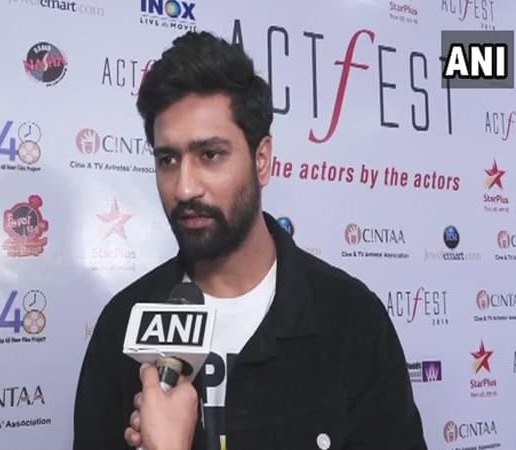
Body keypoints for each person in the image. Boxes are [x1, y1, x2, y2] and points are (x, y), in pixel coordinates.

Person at [73, 31, 428, 450]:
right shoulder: (120, 326)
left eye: (210, 155)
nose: (184, 188)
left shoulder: (351, 320)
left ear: (262, 160)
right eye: (168, 159)